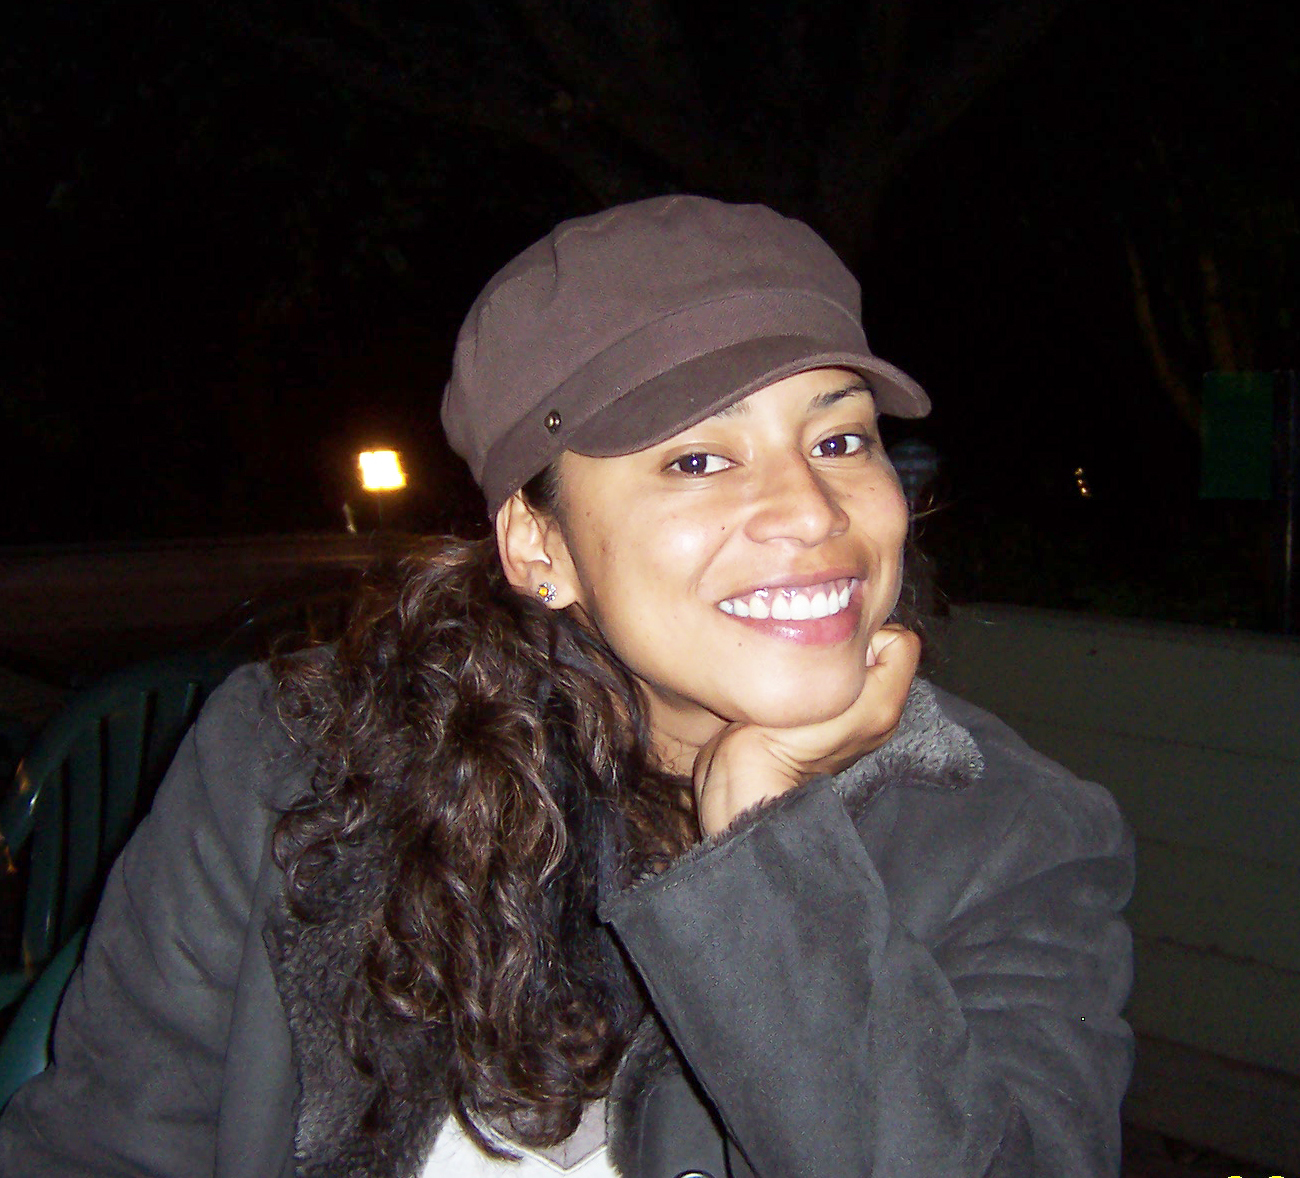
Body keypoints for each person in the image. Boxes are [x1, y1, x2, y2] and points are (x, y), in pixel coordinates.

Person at [0, 196, 1134, 1178]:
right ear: (539, 545)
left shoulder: (1010, 833)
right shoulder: (295, 768)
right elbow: (102, 1149)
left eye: (841, 441)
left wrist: (765, 847)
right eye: (698, 459)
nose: (810, 509)